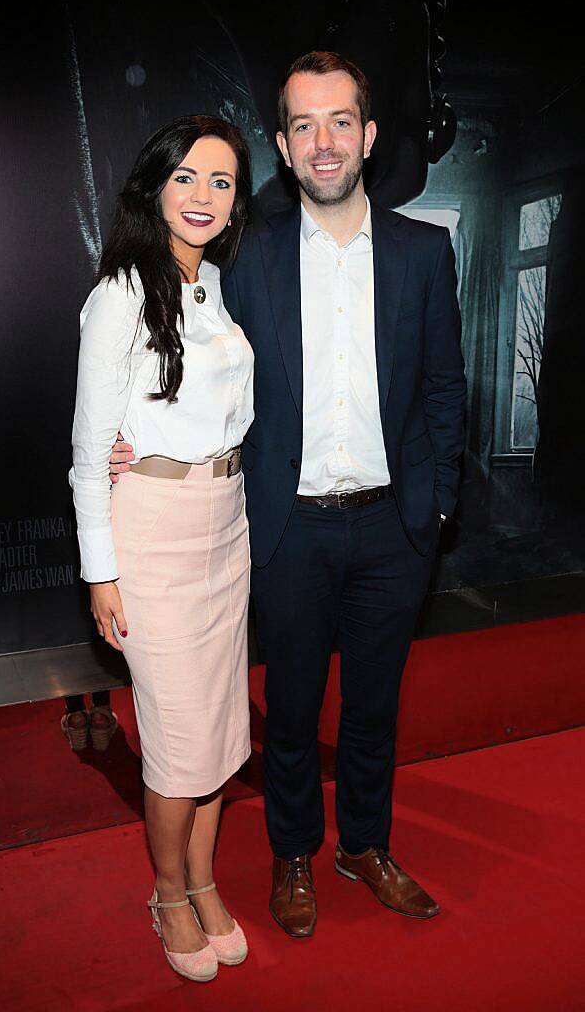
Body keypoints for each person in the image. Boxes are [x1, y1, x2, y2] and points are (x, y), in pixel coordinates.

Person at [112, 50, 466, 939]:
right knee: (296, 713)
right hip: (288, 532)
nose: (323, 141)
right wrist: (130, 432)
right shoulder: (249, 255)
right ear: (281, 143)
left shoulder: (425, 253)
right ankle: (296, 857)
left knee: (376, 707)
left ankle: (367, 845)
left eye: (340, 120)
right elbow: (187, 350)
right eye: (303, 125)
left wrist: (438, 506)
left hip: (394, 526)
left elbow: (445, 389)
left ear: (370, 135)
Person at [70, 115, 254, 980]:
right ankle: (168, 892)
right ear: (155, 186)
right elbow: (86, 452)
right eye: (187, 177)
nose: (203, 196)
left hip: (227, 523)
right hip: (153, 533)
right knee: (180, 742)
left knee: (220, 731)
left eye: (221, 181)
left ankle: (207, 881)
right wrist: (100, 571)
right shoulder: (117, 295)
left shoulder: (213, 286)